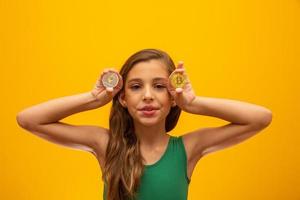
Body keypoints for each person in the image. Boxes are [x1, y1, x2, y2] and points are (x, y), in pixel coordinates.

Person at [16, 48, 273, 200]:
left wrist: (193, 104)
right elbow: (28, 119)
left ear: (173, 96)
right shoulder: (106, 145)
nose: (148, 95)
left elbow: (260, 117)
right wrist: (93, 99)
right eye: (136, 87)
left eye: (160, 86)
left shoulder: (188, 148)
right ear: (123, 98)